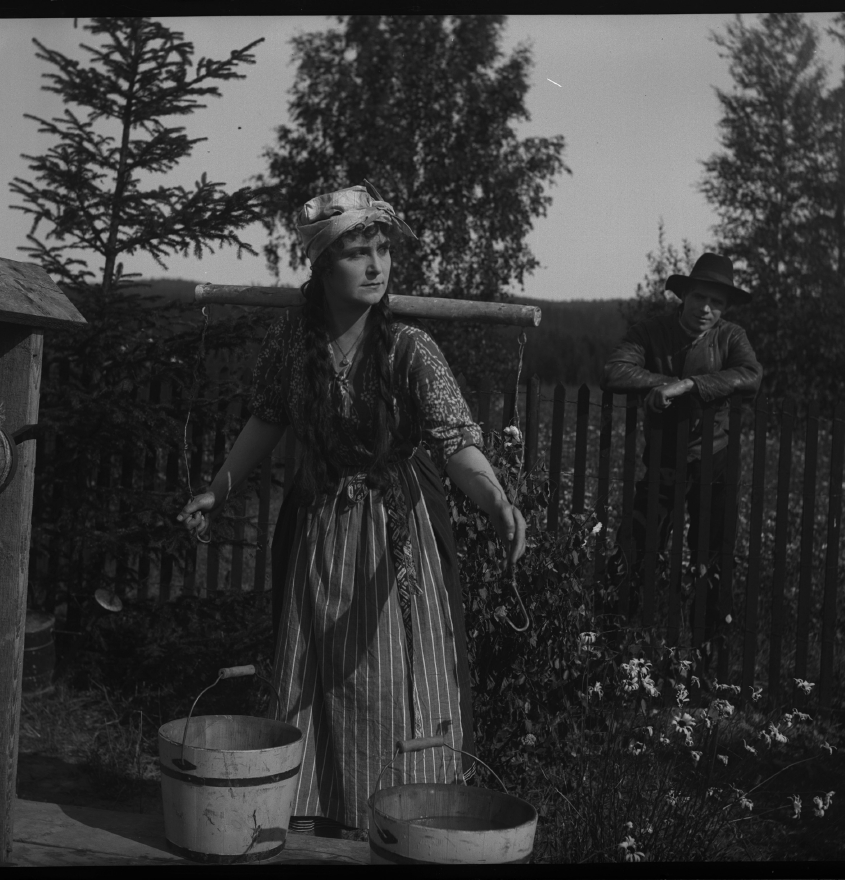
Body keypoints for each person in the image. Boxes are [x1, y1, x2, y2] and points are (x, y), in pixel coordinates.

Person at [177, 183, 526, 834]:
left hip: (397, 541)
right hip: (318, 534)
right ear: (320, 267)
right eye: (356, 254)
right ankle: (318, 820)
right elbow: (266, 421)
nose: (375, 267)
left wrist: (497, 502)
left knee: (389, 683)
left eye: (381, 251)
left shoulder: (409, 349)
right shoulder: (295, 346)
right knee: (313, 678)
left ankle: (403, 821)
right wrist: (216, 490)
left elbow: (457, 446)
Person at [601, 253, 762, 635]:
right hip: (663, 458)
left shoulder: (732, 337)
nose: (706, 309)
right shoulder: (651, 331)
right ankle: (615, 638)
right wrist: (661, 382)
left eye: (717, 302)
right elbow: (614, 370)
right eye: (700, 298)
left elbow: (751, 375)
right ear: (684, 296)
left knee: (714, 556)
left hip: (716, 458)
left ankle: (706, 650)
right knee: (636, 547)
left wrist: (691, 385)